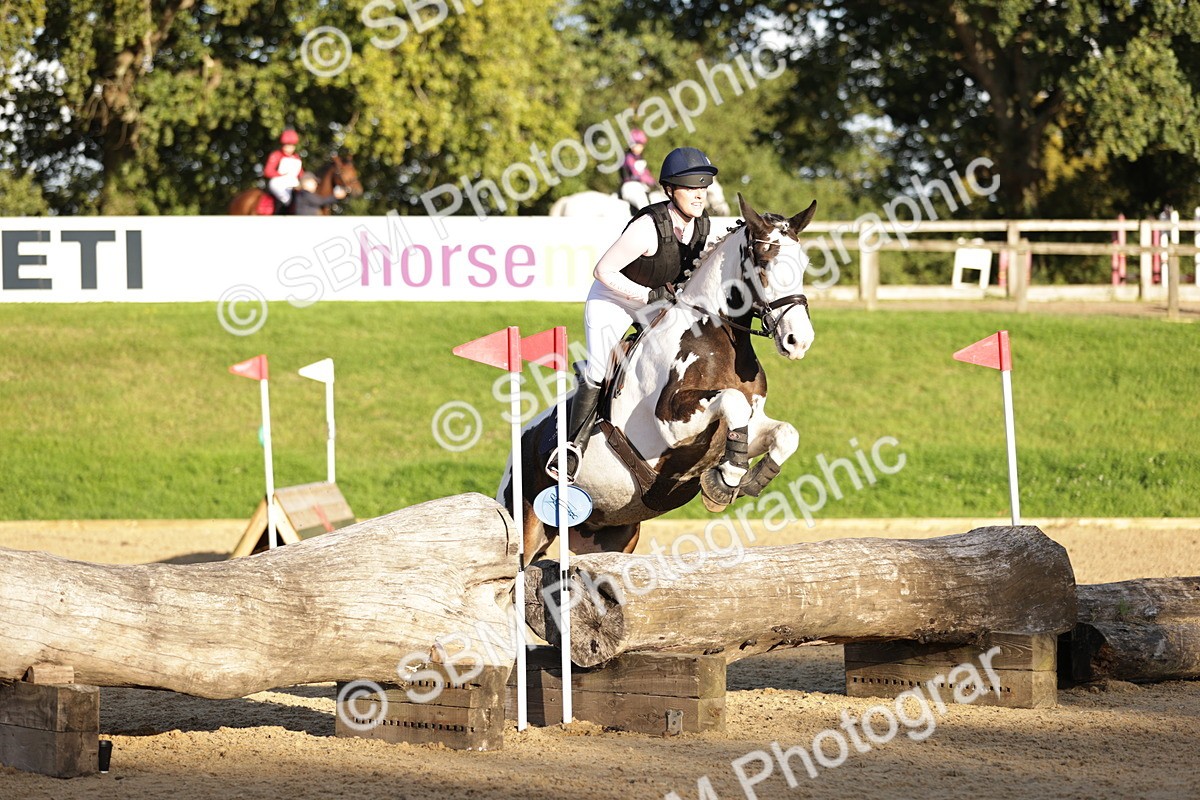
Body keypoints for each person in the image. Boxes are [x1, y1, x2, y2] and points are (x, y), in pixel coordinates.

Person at [555, 146, 718, 480]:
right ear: (670, 191)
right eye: (691, 188)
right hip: (613, 300)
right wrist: (646, 295)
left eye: (703, 188)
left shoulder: (701, 227)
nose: (699, 195)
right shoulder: (646, 227)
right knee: (599, 368)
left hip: (656, 303)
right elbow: (602, 271)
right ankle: (572, 447)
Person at [618, 129, 660, 211]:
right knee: (644, 206)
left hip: (640, 187)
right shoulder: (628, 157)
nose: (639, 147)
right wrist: (650, 181)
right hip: (630, 187)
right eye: (637, 144)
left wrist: (656, 183)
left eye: (641, 145)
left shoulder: (640, 158)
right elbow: (637, 174)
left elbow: (646, 173)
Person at [263, 129, 303, 213]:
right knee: (287, 198)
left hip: (293, 183)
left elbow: (300, 173)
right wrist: (281, 175)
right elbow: (268, 171)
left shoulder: (296, 158)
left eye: (292, 146)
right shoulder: (276, 155)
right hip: (279, 183)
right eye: (287, 145)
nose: (290, 148)